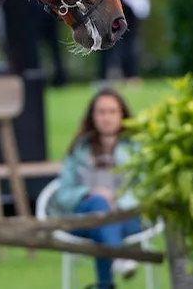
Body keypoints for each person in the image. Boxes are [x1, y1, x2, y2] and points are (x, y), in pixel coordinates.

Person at [55, 88, 143, 288]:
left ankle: (106, 283)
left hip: (126, 218)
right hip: (84, 219)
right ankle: (118, 256)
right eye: (101, 112)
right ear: (92, 116)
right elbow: (64, 195)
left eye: (112, 112)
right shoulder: (79, 149)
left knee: (101, 226)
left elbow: (145, 189)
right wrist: (89, 193)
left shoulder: (136, 147)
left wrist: (118, 204)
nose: (107, 118)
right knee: (98, 204)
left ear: (122, 115)